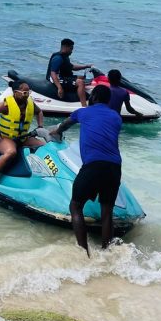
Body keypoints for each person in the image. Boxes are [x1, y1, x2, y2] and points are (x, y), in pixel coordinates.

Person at [49, 85, 121, 257]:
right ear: (108, 100)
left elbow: (66, 124)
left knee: (75, 205)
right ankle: (107, 253)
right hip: (114, 167)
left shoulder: (83, 112)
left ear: (94, 97)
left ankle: (83, 252)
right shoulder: (116, 117)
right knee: (107, 212)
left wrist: (56, 131)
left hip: (93, 165)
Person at [0, 80, 46, 182]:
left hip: (23, 138)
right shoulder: (7, 105)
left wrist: (40, 126)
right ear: (16, 93)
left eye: (29, 92)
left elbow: (39, 112)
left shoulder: (30, 104)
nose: (27, 95)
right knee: (11, 152)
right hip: (5, 138)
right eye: (24, 93)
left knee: (44, 146)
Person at [46, 38, 92, 107]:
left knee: (82, 77)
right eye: (71, 49)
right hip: (56, 79)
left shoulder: (65, 57)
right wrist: (59, 87)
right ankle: (84, 107)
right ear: (65, 47)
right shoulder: (58, 58)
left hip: (63, 77)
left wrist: (86, 66)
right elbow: (53, 73)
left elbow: (72, 67)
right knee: (80, 82)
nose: (72, 51)